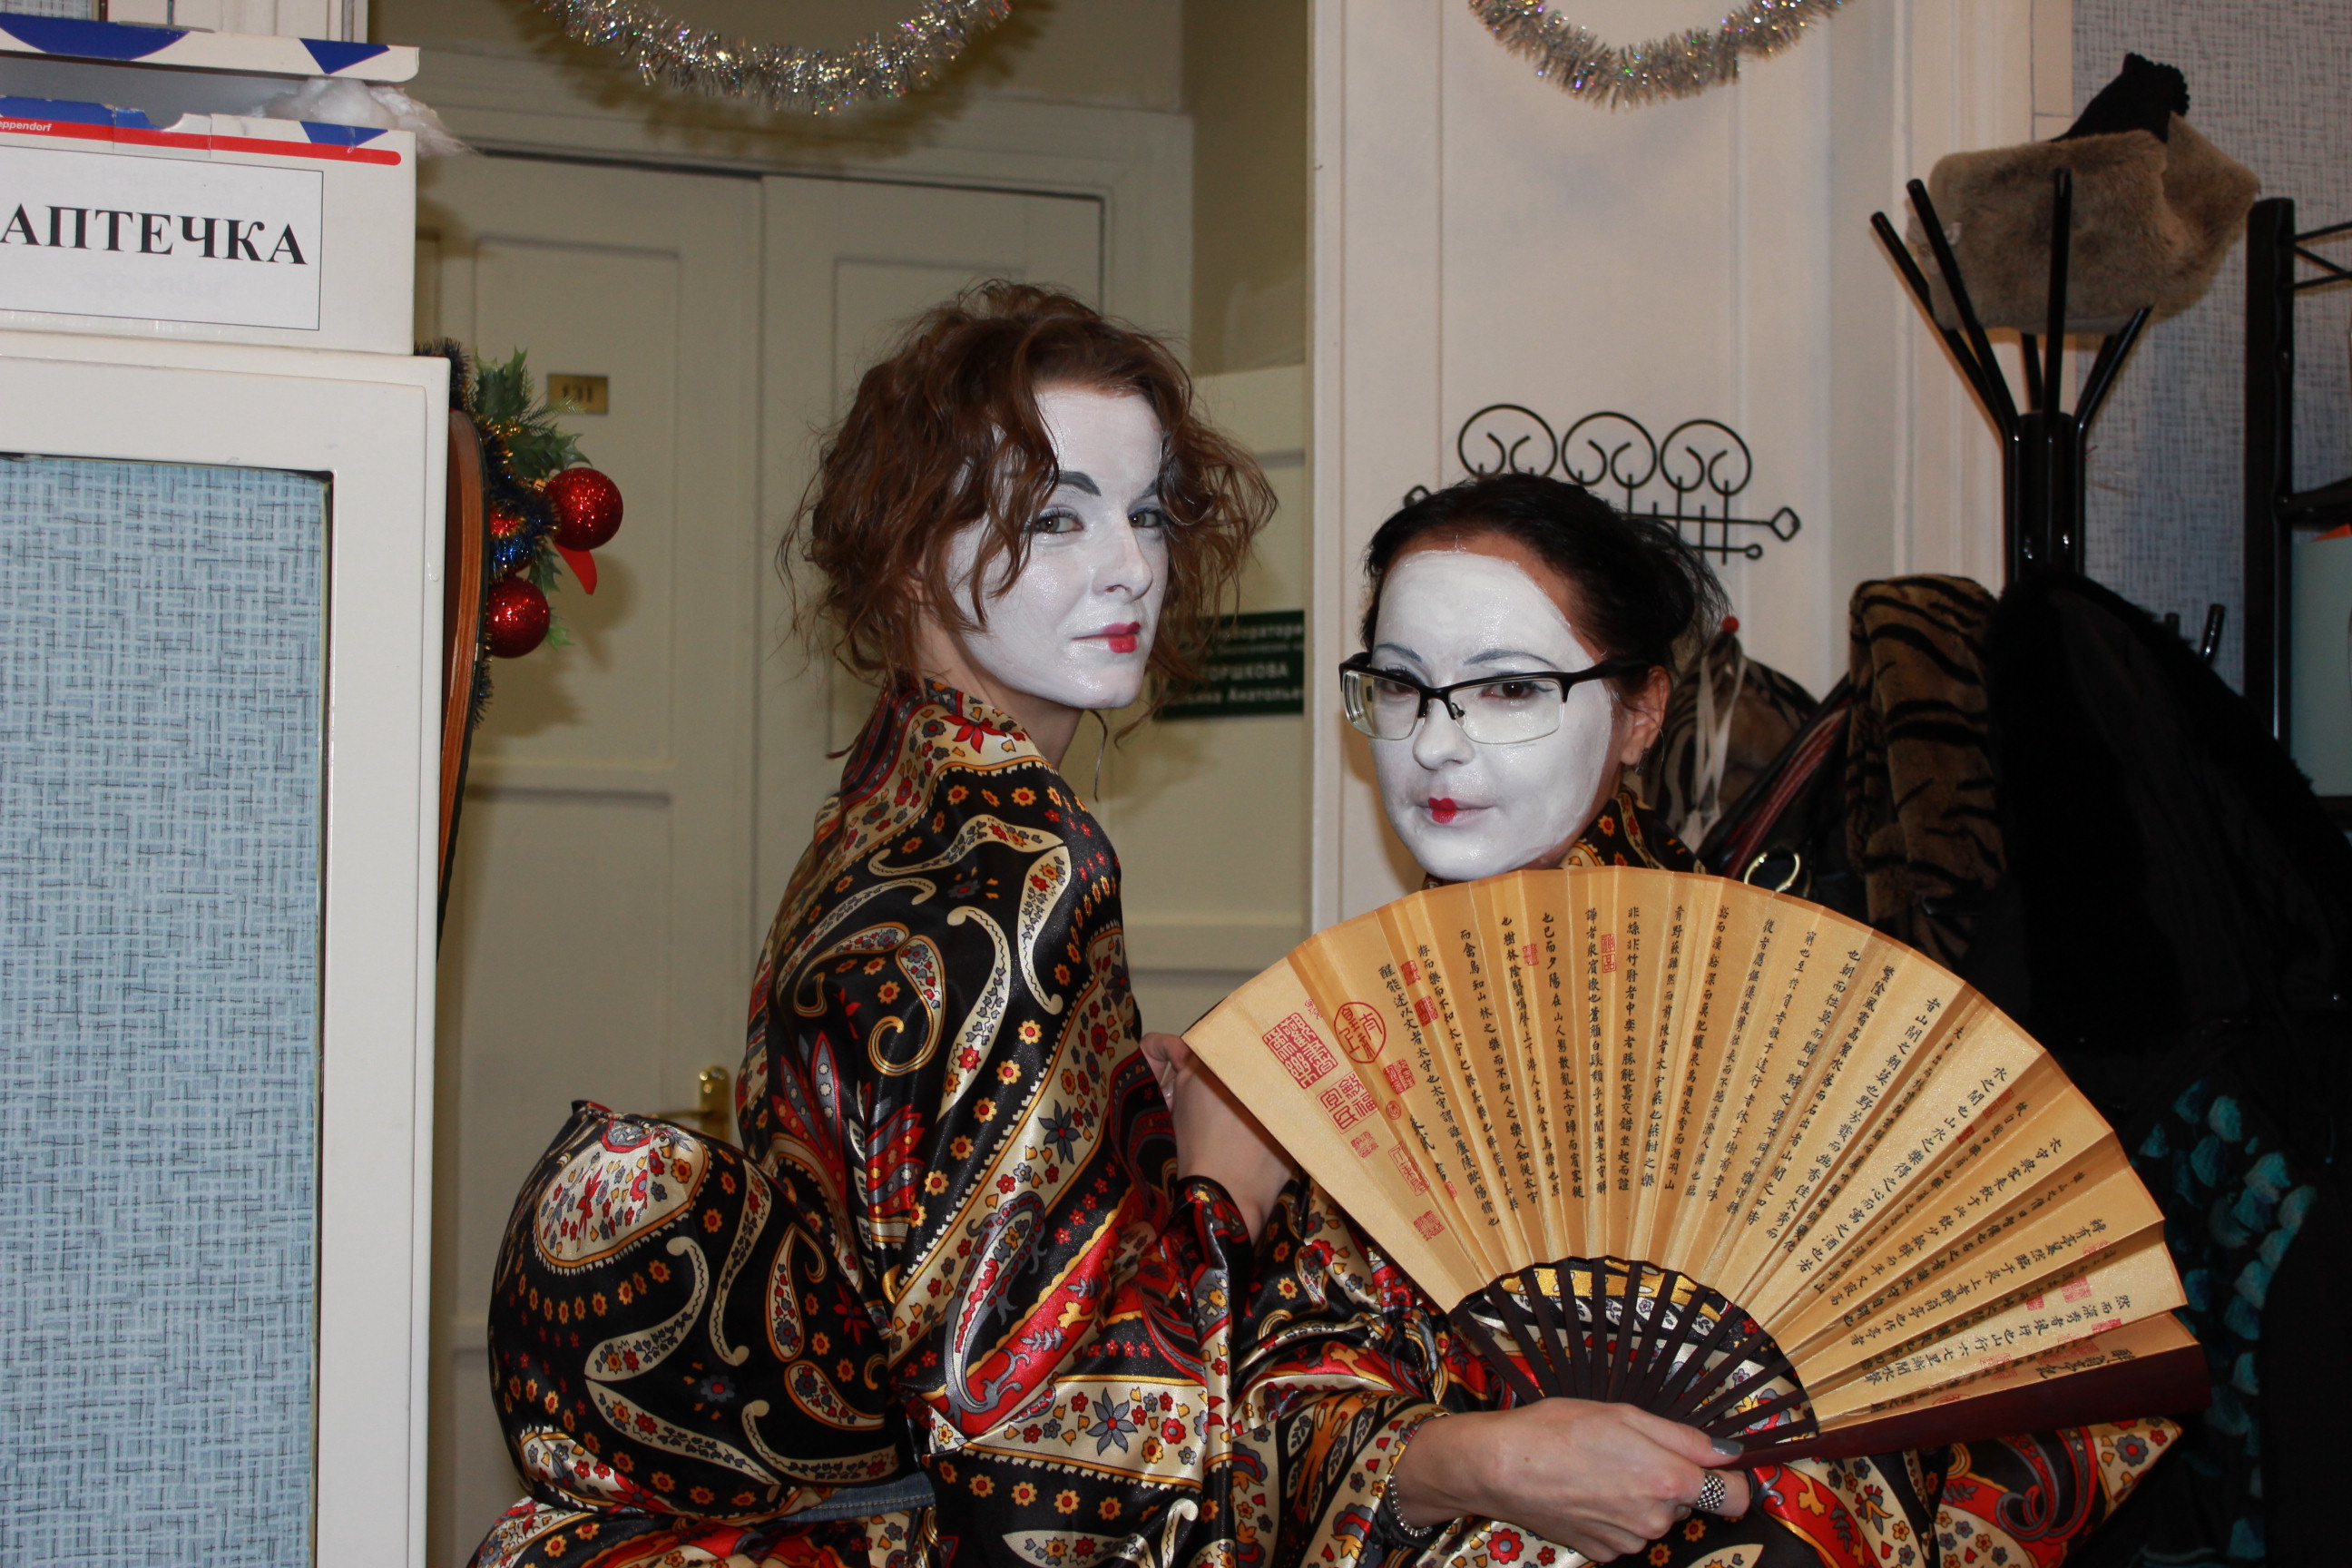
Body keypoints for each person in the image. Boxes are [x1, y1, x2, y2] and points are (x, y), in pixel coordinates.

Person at [467, 283, 1394, 1568]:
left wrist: (1118, 1120)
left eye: (1145, 513)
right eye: (1055, 517)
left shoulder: (882, 803)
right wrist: (1227, 1177)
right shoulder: (1027, 859)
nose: (1130, 564)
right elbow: (1044, 1444)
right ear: (910, 551)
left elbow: (916, 1225)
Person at [1178, 474, 2178, 1568]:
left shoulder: (1784, 1012)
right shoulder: (1351, 1028)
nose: (1433, 746)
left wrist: (1704, 1486)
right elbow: (1243, 1423)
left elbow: (2018, 1390)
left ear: (1642, 712)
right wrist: (1462, 1460)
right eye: (1403, 687)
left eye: (1509, 688)